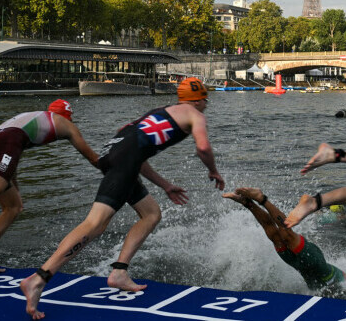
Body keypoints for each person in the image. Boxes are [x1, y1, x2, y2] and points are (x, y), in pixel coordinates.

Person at [21, 78, 226, 320]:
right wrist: (213, 170)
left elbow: (134, 152)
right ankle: (39, 278)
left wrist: (166, 185)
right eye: (206, 101)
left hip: (112, 154)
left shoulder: (159, 113)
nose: (206, 106)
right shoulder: (195, 115)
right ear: (200, 99)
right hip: (123, 162)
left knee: (151, 214)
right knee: (94, 224)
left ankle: (119, 272)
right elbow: (202, 148)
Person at [0, 100, 99, 274]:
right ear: (67, 116)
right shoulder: (64, 123)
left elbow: (12, 149)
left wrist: (14, 184)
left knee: (14, 207)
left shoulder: (31, 117)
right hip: (3, 145)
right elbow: (93, 158)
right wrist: (117, 167)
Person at [223, 187, 346, 289]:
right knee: (286, 233)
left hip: (297, 264)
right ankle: (262, 199)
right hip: (314, 260)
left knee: (274, 236)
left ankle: (247, 202)